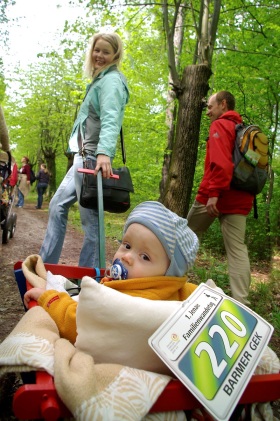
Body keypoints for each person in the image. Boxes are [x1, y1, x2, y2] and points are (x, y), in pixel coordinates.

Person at [24, 201, 199, 344]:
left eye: (145, 257)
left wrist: (50, 298)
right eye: (127, 245)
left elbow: (78, 322)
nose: (127, 257)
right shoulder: (182, 290)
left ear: (169, 274)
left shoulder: (123, 302)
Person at [39, 32, 129, 268]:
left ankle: (90, 279)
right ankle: (45, 266)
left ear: (115, 55)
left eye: (106, 52)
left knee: (92, 225)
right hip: (83, 158)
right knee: (57, 206)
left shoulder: (111, 81)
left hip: (92, 159)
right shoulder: (100, 80)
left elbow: (111, 119)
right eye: (96, 50)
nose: (99, 55)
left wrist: (104, 153)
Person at [187, 91, 254, 306]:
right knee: (237, 250)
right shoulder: (242, 129)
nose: (207, 112)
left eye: (210, 106)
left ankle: (171, 283)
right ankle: (241, 304)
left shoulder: (220, 125)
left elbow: (222, 164)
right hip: (241, 196)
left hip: (214, 194)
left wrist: (214, 195)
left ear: (223, 104)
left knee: (186, 236)